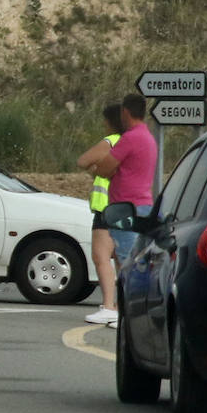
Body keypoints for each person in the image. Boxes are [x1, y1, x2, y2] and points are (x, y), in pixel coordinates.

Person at [87, 93, 158, 328]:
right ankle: (124, 311)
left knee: (129, 263)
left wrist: (100, 168)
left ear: (126, 112)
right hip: (142, 205)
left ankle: (127, 314)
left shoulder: (130, 138)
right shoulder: (148, 137)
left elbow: (105, 168)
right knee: (133, 260)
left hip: (126, 207)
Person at [77, 103, 126, 327]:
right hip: (125, 206)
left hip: (106, 207)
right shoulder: (133, 142)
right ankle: (123, 307)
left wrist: (98, 168)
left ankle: (108, 306)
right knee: (121, 258)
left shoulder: (112, 141)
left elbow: (83, 160)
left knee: (101, 257)